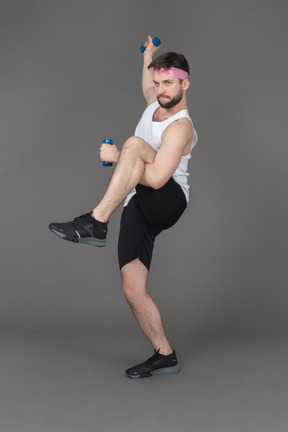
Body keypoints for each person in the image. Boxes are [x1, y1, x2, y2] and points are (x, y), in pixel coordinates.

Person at [49, 35, 198, 378]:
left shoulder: (181, 127)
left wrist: (120, 158)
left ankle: (95, 222)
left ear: (185, 84)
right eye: (159, 81)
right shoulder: (153, 102)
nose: (161, 89)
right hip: (137, 202)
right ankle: (165, 355)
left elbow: (159, 177)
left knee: (133, 144)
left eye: (169, 83)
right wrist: (149, 54)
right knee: (132, 288)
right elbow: (147, 81)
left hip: (169, 198)